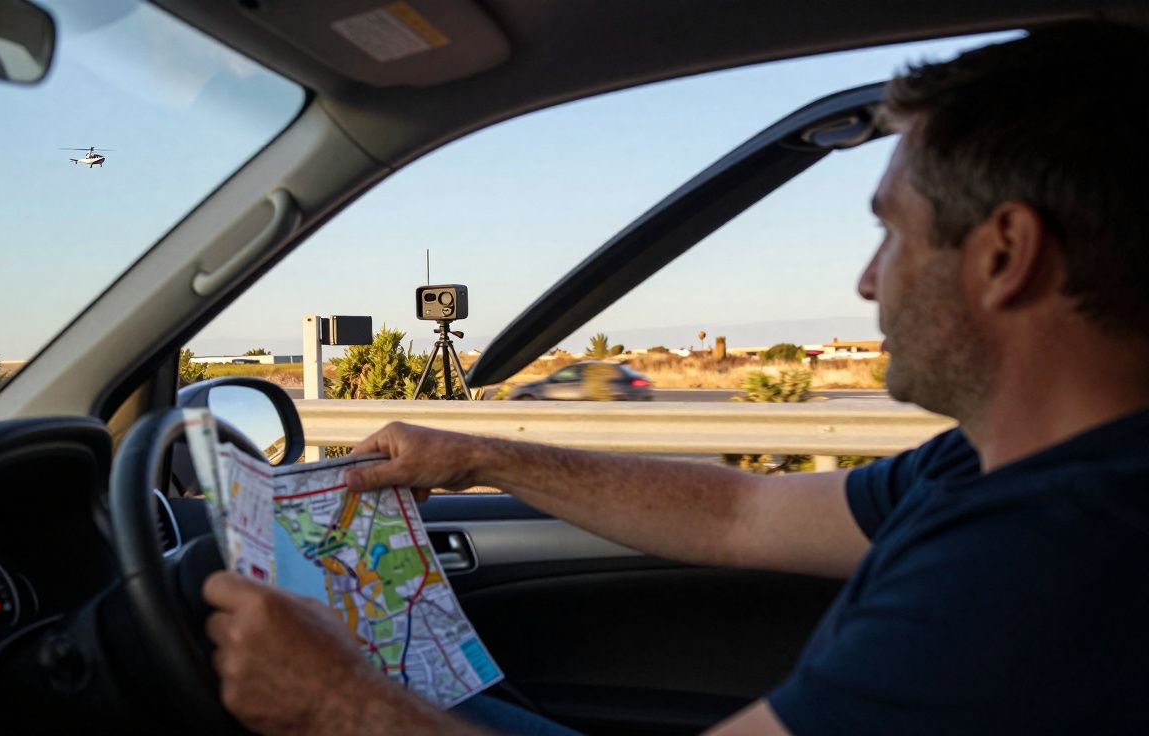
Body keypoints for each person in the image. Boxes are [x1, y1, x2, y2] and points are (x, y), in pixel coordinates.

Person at [201, 23, 1149, 735]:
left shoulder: (1053, 561)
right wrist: (479, 454)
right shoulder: (982, 470)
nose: (868, 279)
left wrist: (338, 704)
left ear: (1004, 255)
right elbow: (737, 515)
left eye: (891, 231)